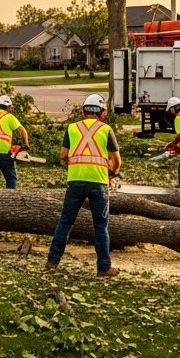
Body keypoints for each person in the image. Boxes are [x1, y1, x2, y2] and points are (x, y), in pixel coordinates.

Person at [46, 93, 122, 277]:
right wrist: (112, 173)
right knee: (100, 225)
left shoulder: (72, 128)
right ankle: (103, 267)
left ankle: (52, 262)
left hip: (75, 181)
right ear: (102, 113)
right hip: (98, 182)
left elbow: (64, 155)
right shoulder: (106, 130)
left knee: (65, 222)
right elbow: (116, 160)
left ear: (83, 111)